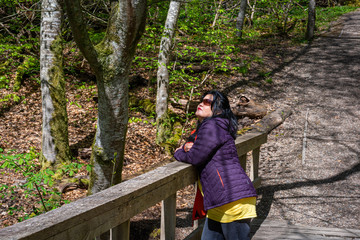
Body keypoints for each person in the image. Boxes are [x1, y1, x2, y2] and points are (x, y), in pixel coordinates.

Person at [174, 90, 257, 240]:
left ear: (218, 108)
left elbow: (195, 157)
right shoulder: (211, 127)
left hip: (232, 200)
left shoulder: (213, 125)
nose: (201, 103)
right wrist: (189, 147)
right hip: (219, 200)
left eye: (207, 102)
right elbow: (197, 148)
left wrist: (178, 152)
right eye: (201, 100)